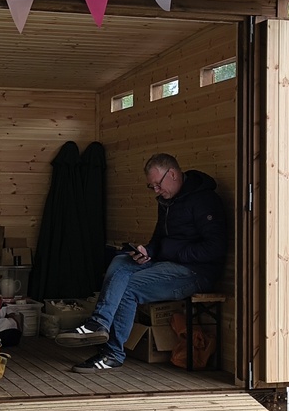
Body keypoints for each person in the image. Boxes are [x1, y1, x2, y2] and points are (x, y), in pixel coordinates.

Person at [59, 153, 227, 370]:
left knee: (129, 288)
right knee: (121, 262)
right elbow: (159, 239)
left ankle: (112, 354)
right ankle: (98, 322)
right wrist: (148, 250)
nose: (156, 191)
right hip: (167, 262)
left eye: (157, 184)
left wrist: (171, 252)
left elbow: (215, 248)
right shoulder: (167, 201)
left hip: (196, 273)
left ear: (173, 174)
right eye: (152, 187)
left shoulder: (205, 201)